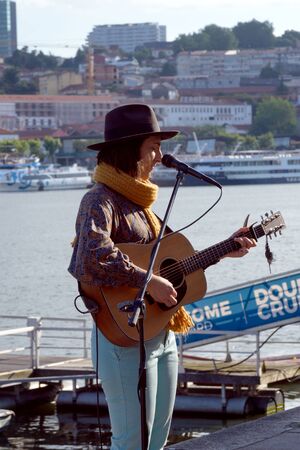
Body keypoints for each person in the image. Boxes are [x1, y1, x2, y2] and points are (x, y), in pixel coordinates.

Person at [68, 103, 256, 450]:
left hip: (160, 332)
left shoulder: (142, 206)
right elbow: (89, 257)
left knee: (156, 439)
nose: (160, 156)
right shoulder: (99, 199)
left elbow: (169, 270)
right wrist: (147, 280)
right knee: (130, 440)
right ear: (130, 151)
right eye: (153, 147)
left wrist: (225, 249)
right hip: (122, 338)